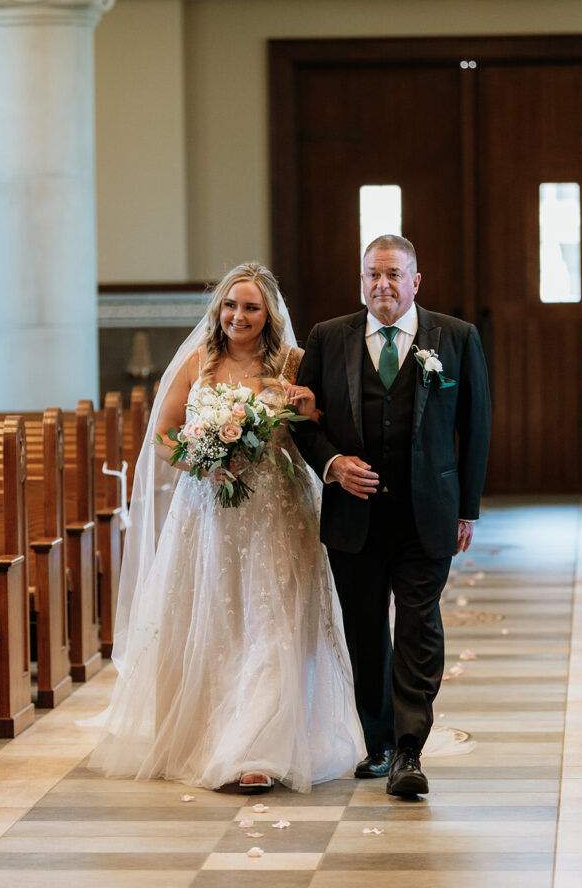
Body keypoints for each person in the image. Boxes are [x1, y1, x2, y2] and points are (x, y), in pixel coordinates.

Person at [89, 262, 365, 793]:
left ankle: (257, 750)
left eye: (251, 307)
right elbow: (164, 435)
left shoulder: (294, 361)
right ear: (219, 308)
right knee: (219, 623)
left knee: (275, 623)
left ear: (269, 314)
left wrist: (312, 412)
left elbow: (322, 427)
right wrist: (203, 457)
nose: (239, 316)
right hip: (210, 514)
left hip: (278, 513)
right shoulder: (198, 363)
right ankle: (213, 736)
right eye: (231, 305)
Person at [292, 234, 491, 796]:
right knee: (364, 630)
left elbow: (476, 427)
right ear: (362, 280)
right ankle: (377, 742)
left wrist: (467, 508)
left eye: (393, 275)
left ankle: (409, 749)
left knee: (418, 623)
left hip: (427, 510)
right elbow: (302, 420)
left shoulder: (454, 337)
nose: (382, 285)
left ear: (415, 282)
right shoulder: (328, 339)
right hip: (353, 515)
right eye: (372, 276)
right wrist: (331, 464)